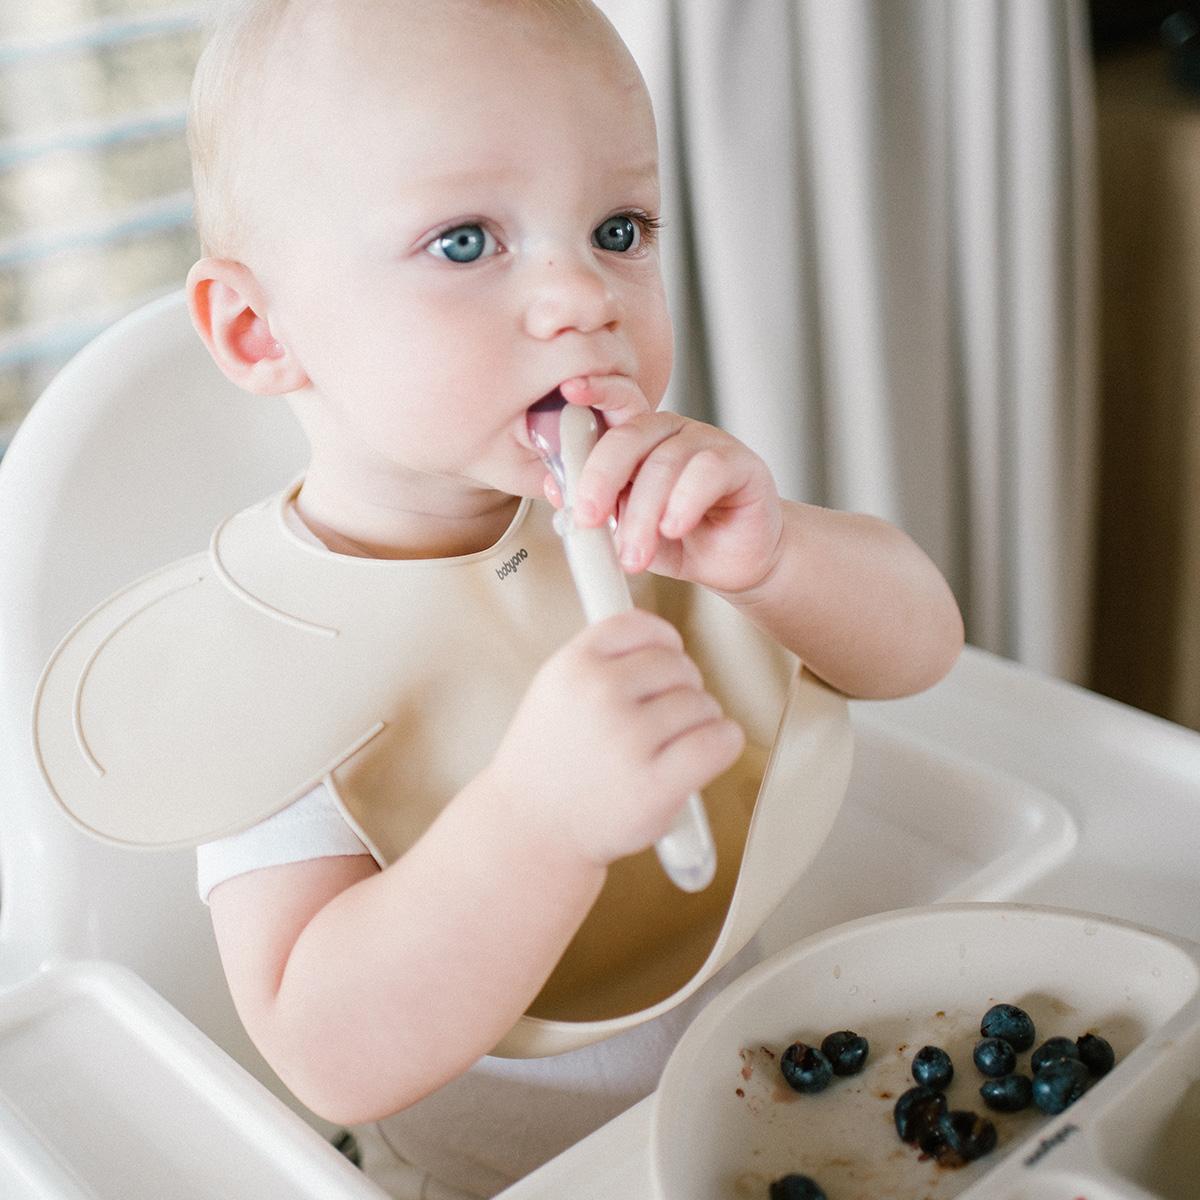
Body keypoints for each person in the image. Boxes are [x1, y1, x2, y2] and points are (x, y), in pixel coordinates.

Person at [61, 0, 962, 1194]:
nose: (584, 294)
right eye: (465, 242)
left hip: (773, 1126)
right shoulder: (269, 656)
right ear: (260, 329)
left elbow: (924, 651)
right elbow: (328, 1052)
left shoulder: (651, 501)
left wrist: (779, 556)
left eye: (617, 229)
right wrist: (537, 823)